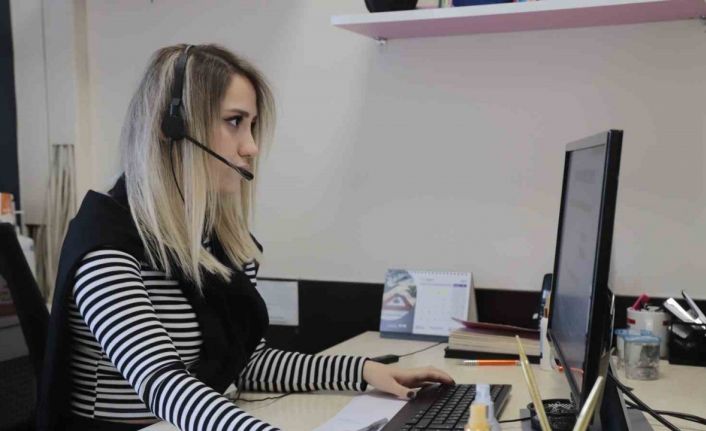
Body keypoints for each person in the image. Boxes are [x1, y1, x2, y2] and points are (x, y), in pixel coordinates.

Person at [37, 44, 454, 431]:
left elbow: (245, 363)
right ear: (170, 126)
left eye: (252, 125)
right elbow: (162, 382)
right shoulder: (105, 248)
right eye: (234, 122)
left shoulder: (215, 242)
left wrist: (364, 372)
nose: (251, 146)